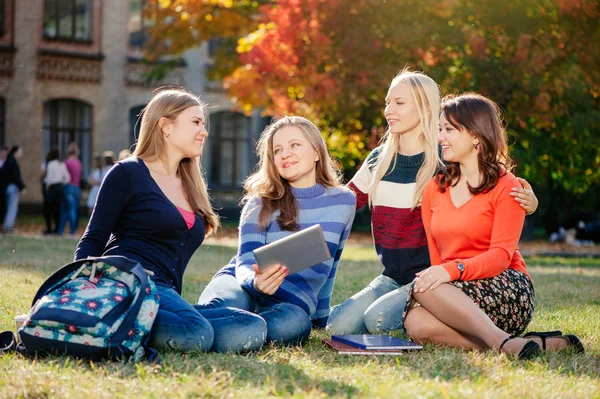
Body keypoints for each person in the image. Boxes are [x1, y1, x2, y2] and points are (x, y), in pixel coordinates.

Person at [327, 70, 539, 335]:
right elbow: (344, 202)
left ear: (426, 107)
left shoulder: (446, 159)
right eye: (387, 102)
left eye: (399, 103)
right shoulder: (378, 159)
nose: (388, 110)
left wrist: (530, 202)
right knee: (339, 325)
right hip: (393, 275)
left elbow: (489, 179)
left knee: (376, 321)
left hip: (436, 275)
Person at [75, 88, 266, 353]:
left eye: (204, 123)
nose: (204, 131)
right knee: (194, 332)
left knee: (252, 325)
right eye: (196, 122)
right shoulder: (128, 173)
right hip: (129, 283)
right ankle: (113, 320)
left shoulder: (190, 184)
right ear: (165, 126)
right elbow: (93, 239)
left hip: (165, 295)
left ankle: (142, 326)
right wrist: (79, 293)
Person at [401, 93, 583, 359]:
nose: (440, 137)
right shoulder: (434, 188)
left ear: (476, 135)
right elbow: (436, 256)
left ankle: (501, 341)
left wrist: (450, 272)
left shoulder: (508, 186)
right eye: (440, 129)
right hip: (457, 289)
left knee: (422, 286)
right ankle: (522, 344)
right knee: (415, 323)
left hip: (506, 287)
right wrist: (440, 285)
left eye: (449, 129)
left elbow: (500, 257)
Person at [197, 116, 356, 346]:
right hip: (242, 284)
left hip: (290, 304)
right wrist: (256, 283)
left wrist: (321, 316)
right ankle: (192, 323)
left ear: (317, 152)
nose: (285, 154)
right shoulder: (259, 203)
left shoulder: (343, 202)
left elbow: (332, 262)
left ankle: (222, 330)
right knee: (223, 306)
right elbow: (245, 261)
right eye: (277, 150)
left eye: (295, 145)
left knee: (292, 326)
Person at [42, 148, 70, 235]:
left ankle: (49, 228)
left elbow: (49, 178)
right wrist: (62, 183)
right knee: (57, 209)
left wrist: (47, 187)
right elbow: (68, 177)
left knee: (48, 209)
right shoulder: (62, 164)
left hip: (52, 188)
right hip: (60, 187)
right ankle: (57, 229)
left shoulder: (50, 164)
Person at [59, 142, 83, 236]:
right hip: (77, 188)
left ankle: (61, 230)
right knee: (73, 209)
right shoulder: (78, 163)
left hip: (68, 187)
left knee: (65, 210)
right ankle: (73, 230)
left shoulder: (66, 162)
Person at [0, 145, 25, 234]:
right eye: (20, 152)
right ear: (15, 153)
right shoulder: (12, 162)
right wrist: (22, 187)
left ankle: (7, 226)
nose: (21, 154)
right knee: (12, 207)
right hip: (12, 188)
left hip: (6, 187)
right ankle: (8, 227)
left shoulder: (8, 161)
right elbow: (16, 177)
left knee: (8, 207)